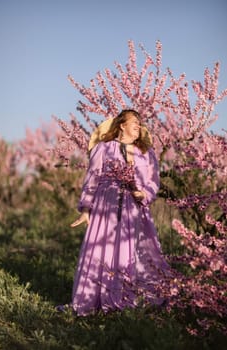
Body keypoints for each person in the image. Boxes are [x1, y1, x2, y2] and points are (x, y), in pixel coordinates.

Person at [70, 109, 169, 316]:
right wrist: (86, 210)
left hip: (135, 209)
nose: (138, 126)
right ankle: (96, 299)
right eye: (135, 122)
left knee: (132, 253)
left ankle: (130, 299)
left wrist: (144, 194)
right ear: (122, 125)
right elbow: (92, 179)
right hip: (106, 207)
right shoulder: (104, 149)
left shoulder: (147, 153)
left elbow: (154, 181)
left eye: (140, 123)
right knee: (102, 251)